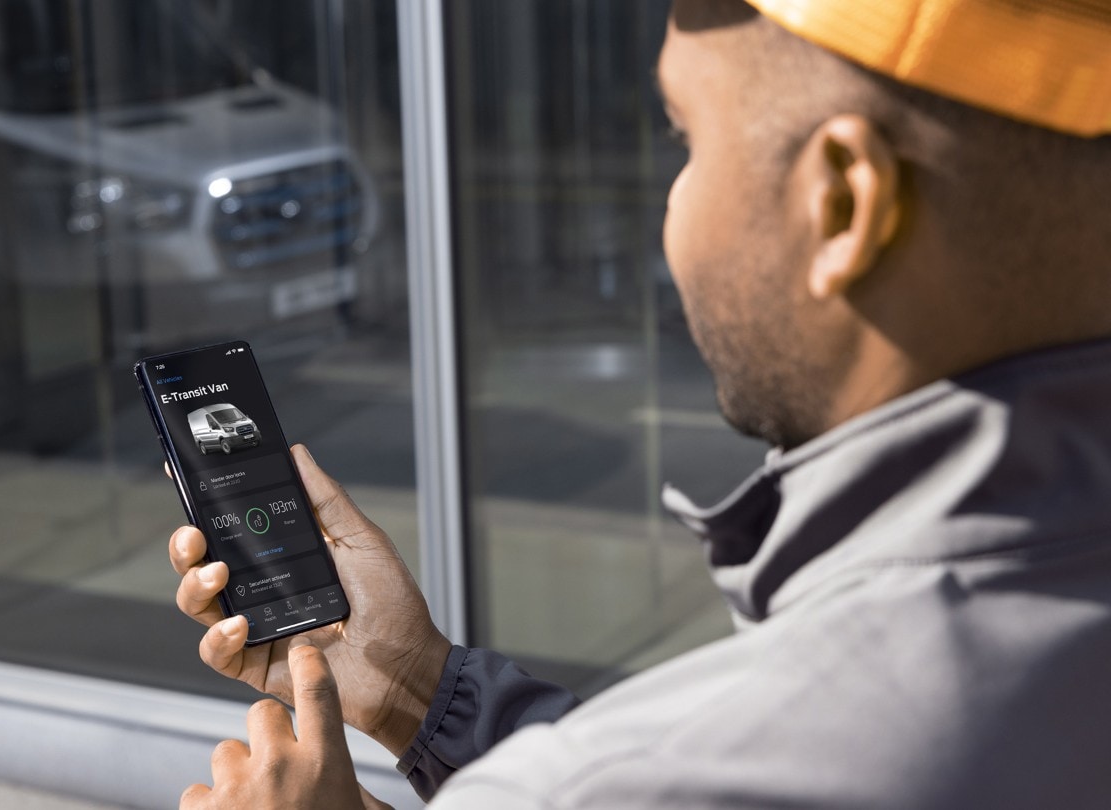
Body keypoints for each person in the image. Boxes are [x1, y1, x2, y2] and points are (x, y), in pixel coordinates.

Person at [173, 0, 1111, 806]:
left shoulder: (625, 781)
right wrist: (414, 681)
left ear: (840, 204)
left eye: (687, 140)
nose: (670, 210)